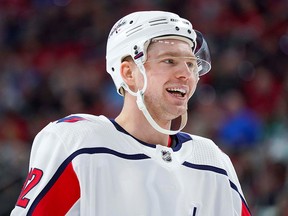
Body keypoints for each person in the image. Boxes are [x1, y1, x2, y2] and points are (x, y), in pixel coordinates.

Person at [11, 11, 251, 215]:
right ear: (128, 73)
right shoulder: (78, 144)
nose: (186, 74)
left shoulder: (213, 161)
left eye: (190, 64)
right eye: (169, 61)